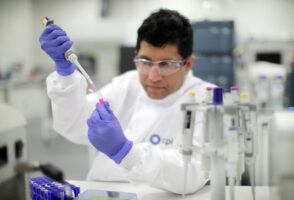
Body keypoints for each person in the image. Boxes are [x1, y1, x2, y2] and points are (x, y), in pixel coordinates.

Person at [39, 8, 215, 194]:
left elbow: (193, 173)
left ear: (188, 64)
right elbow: (73, 125)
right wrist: (65, 73)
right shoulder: (127, 84)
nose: (153, 77)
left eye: (166, 64)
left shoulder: (206, 98)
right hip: (101, 191)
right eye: (145, 61)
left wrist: (124, 151)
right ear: (136, 55)